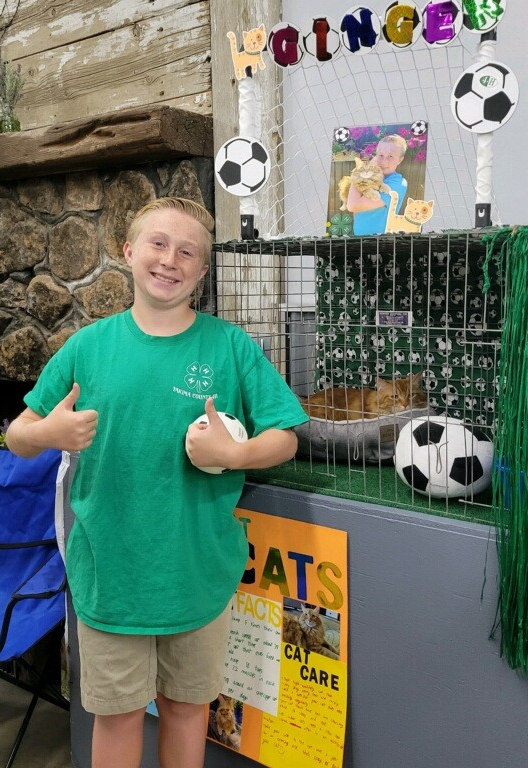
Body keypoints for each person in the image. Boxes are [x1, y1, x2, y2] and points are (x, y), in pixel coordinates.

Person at [6, 197, 308, 768]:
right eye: (158, 244)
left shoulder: (231, 347)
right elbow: (18, 434)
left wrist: (235, 451)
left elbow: (287, 436)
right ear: (128, 252)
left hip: (198, 575)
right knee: (116, 717)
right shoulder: (87, 348)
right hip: (110, 576)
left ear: (201, 270)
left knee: (187, 709)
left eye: (187, 251)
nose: (171, 260)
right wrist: (50, 432)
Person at [346, 133, 408, 236]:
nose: (384, 161)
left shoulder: (398, 183)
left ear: (400, 160)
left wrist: (360, 174)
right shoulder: (370, 176)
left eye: (390, 156)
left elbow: (353, 205)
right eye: (381, 155)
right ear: (375, 156)